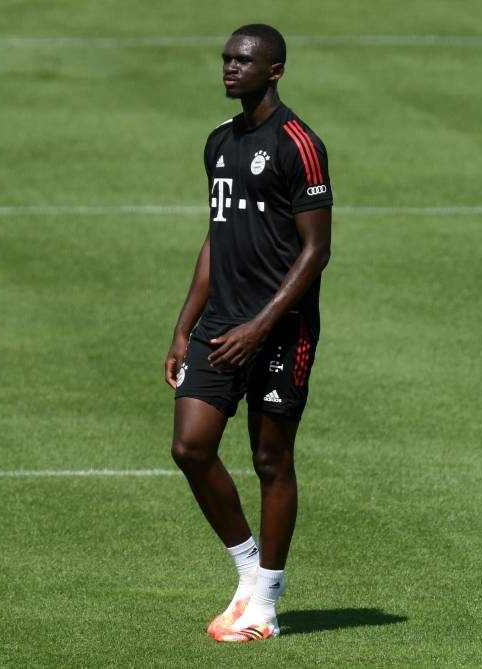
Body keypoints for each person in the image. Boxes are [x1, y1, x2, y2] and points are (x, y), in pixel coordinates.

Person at [164, 23, 333, 643]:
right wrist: (185, 328)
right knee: (190, 447)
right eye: (227, 60)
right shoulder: (218, 141)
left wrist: (260, 327)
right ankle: (246, 570)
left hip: (281, 331)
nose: (231, 69)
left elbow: (316, 251)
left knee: (270, 459)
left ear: (276, 70)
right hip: (220, 326)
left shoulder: (298, 144)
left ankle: (265, 600)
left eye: (244, 61)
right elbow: (217, 235)